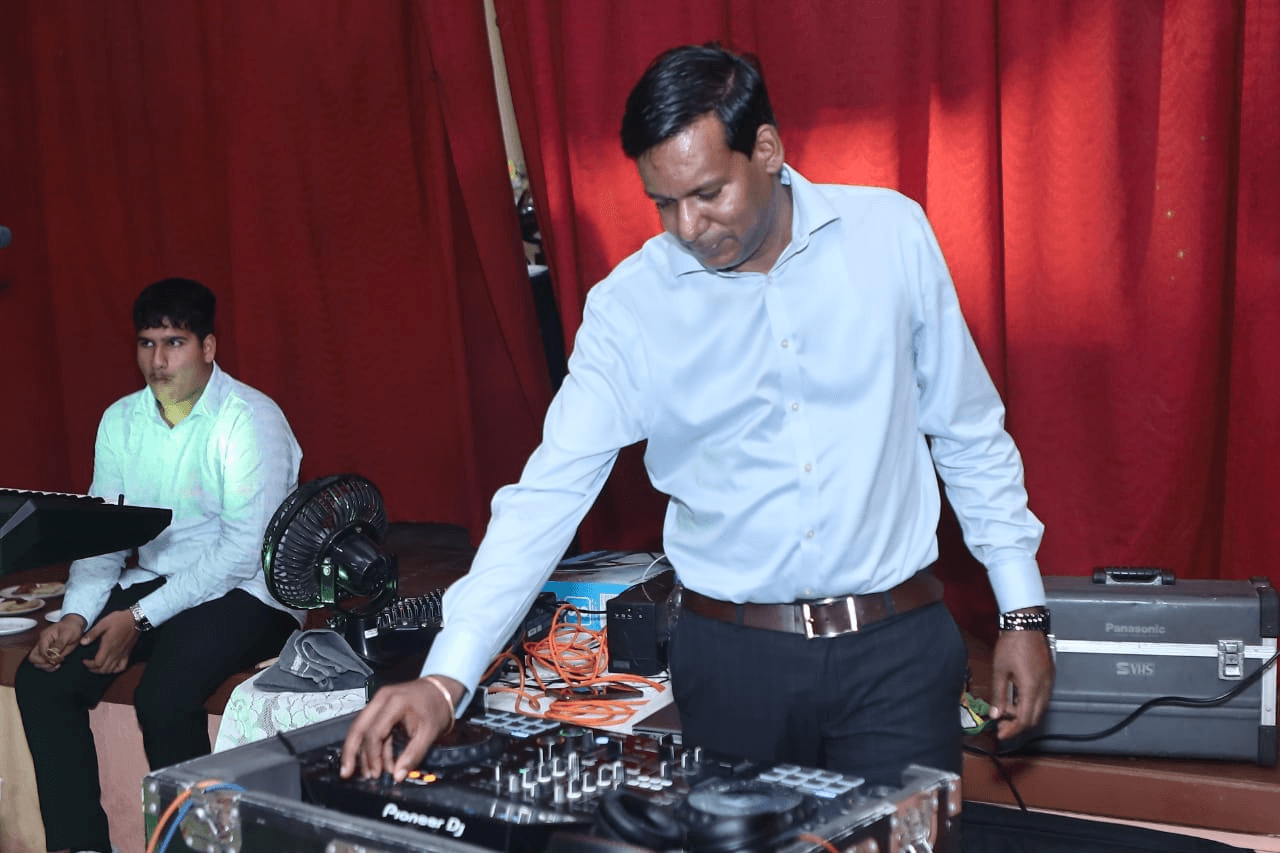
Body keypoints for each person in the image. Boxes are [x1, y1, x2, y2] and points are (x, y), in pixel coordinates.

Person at [342, 43, 1053, 789]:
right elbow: (546, 495)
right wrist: (446, 677)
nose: (686, 225)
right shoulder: (630, 309)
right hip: (734, 664)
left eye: (708, 192)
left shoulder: (891, 237)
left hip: (896, 653)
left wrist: (1023, 610)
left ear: (768, 150)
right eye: (663, 202)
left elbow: (969, 430)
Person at [15, 277, 304, 853]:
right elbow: (104, 536)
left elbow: (241, 553)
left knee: (164, 696)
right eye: (146, 343)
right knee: (41, 678)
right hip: (157, 583)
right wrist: (74, 615)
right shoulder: (121, 420)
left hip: (251, 592)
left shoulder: (250, 418)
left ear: (209, 347)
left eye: (173, 342)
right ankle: (80, 845)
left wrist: (139, 619)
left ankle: (195, 848)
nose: (157, 360)